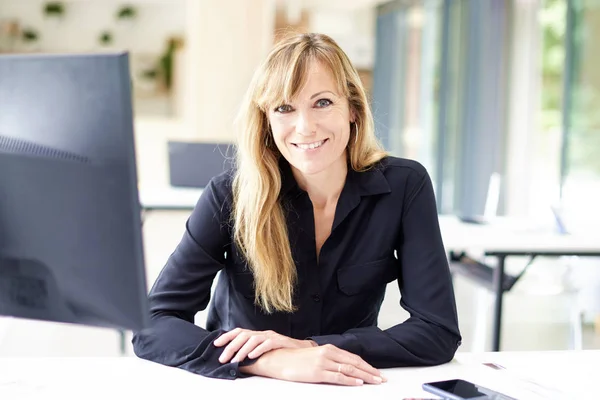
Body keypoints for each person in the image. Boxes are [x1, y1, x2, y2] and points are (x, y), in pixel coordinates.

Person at [132, 32, 461, 386]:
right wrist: (268, 362)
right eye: (284, 108)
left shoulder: (404, 186)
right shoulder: (229, 195)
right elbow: (152, 323)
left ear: (352, 108)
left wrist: (307, 348)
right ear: (267, 121)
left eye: (322, 103)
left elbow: (437, 330)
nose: (305, 127)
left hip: (350, 388)